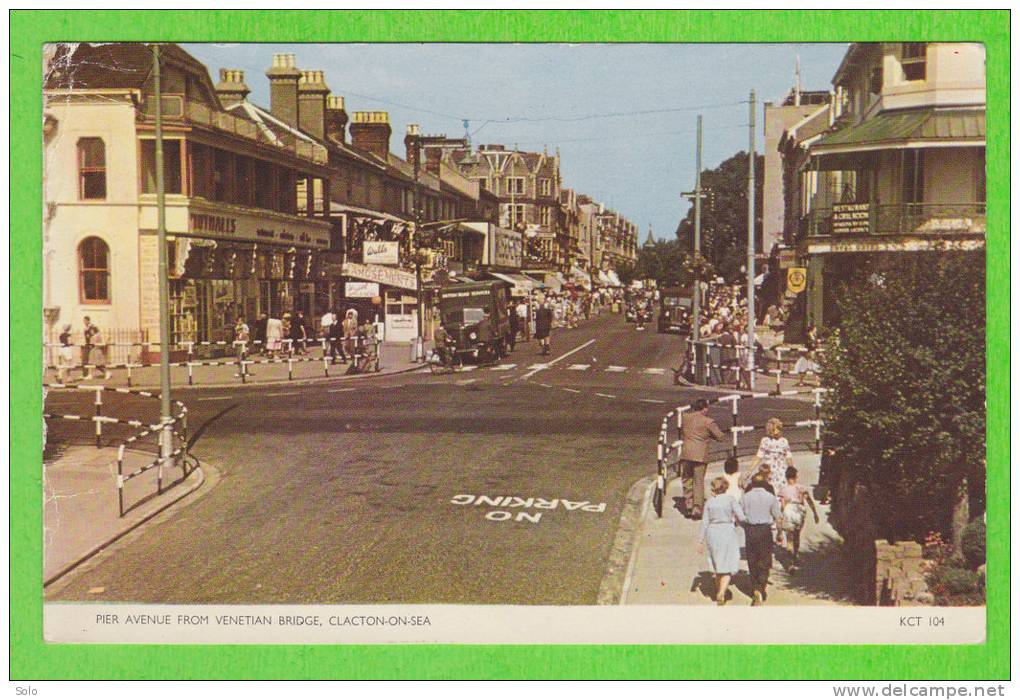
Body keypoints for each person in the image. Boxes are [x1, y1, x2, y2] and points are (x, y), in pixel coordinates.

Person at [698, 476, 746, 605]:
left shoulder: (709, 502)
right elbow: (741, 516)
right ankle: (721, 592)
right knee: (728, 561)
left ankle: (719, 589)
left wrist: (700, 540)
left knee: (717, 562)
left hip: (713, 532)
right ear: (726, 488)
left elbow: (704, 522)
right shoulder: (730, 500)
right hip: (727, 531)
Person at [741, 471, 783, 606]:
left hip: (751, 530)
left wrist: (745, 526)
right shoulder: (770, 497)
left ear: (752, 484)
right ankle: (760, 586)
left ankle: (755, 587)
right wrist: (780, 533)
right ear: (765, 484)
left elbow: (738, 516)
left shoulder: (745, 497)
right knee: (765, 560)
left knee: (752, 559)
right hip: (765, 531)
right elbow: (778, 517)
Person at [679, 399, 724, 518]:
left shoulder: (685, 418)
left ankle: (688, 504)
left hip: (686, 453)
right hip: (700, 455)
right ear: (704, 408)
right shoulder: (708, 422)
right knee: (698, 481)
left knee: (687, 479)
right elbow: (720, 437)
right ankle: (697, 508)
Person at [779, 466, 820, 568]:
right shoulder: (801, 488)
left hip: (789, 510)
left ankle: (790, 563)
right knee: (796, 536)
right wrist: (815, 513)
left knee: (789, 539)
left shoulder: (783, 490)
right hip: (799, 511)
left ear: (786, 477)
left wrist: (780, 518)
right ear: (796, 477)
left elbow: (783, 506)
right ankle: (795, 556)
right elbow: (809, 500)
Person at [749, 418, 795, 500]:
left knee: (782, 494)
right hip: (769, 471)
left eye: (780, 429)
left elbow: (788, 457)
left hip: (781, 471)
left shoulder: (784, 441)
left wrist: (792, 472)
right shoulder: (765, 441)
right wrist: (749, 471)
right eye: (776, 430)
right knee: (770, 492)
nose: (779, 432)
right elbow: (759, 456)